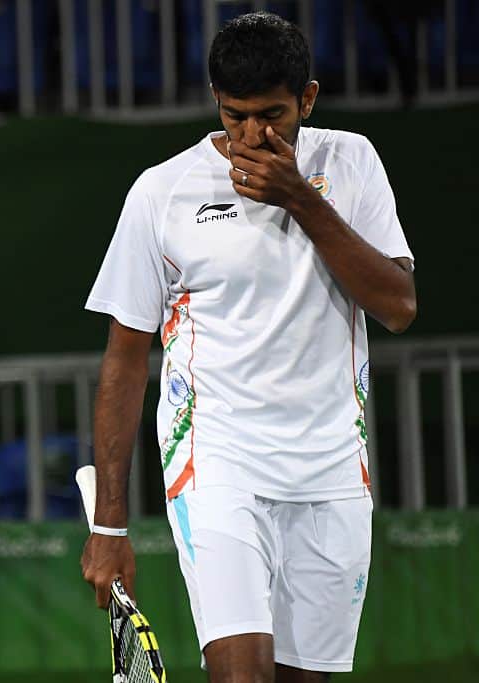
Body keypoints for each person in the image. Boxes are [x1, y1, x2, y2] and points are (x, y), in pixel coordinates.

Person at [81, 12, 415, 683]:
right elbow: (124, 359)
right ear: (216, 101)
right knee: (242, 674)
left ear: (307, 100)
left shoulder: (351, 163)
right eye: (236, 116)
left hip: (332, 469)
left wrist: (300, 200)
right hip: (218, 465)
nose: (254, 135)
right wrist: (110, 526)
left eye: (273, 115)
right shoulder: (162, 192)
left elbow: (398, 305)